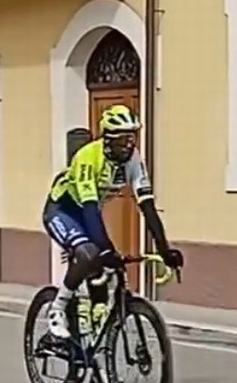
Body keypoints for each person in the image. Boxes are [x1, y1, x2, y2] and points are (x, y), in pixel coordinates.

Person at [42, 104, 184, 338]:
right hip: (63, 211)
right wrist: (107, 250)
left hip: (88, 212)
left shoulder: (133, 160)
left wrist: (164, 249)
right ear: (107, 140)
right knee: (90, 252)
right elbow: (89, 210)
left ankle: (94, 325)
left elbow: (147, 206)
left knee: (104, 267)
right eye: (122, 140)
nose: (128, 145)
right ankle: (57, 309)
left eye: (131, 138)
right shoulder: (88, 157)